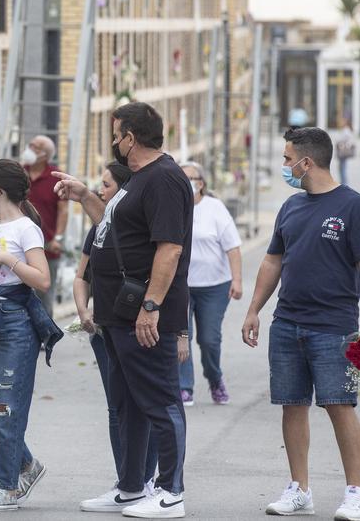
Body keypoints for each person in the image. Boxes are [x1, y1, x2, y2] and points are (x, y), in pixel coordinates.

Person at [52, 102, 192, 518]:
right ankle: (132, 487)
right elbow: (112, 229)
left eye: (116, 134)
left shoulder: (164, 179)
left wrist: (152, 306)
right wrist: (83, 197)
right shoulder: (137, 180)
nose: (114, 142)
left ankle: (171, 491)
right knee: (129, 403)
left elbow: (170, 248)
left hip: (143, 314)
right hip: (117, 311)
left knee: (160, 400)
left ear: (131, 137)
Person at [241, 127, 360, 521]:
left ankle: (356, 493)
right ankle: (299, 489)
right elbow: (273, 260)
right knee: (292, 405)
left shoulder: (355, 206)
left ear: (307, 162)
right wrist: (254, 309)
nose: (284, 166)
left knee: (339, 406)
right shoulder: (290, 207)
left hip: (333, 326)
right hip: (287, 322)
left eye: (288, 159)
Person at [0, 159, 60, 512]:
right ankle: (26, 464)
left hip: (15, 319)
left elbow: (42, 279)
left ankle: (7, 486)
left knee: (6, 406)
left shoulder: (25, 229)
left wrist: (6, 259)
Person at [75, 161, 161, 513]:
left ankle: (148, 479)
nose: (100, 190)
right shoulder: (98, 230)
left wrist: (181, 332)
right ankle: (126, 481)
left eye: (106, 185)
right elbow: (82, 275)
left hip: (134, 322)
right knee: (118, 407)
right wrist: (83, 310)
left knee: (144, 403)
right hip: (102, 326)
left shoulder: (135, 231)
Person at [177, 162, 242, 407]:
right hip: (181, 286)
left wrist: (236, 279)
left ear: (200, 183)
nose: (185, 183)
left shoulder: (215, 208)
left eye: (190, 178)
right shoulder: (173, 207)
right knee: (182, 336)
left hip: (214, 286)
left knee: (208, 339)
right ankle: (184, 387)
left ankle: (215, 379)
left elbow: (233, 247)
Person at [20, 135, 69, 313]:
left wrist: (58, 238)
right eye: (30, 144)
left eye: (36, 147)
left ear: (45, 155)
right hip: (20, 247)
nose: (30, 149)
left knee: (43, 297)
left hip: (47, 247)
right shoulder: (19, 173)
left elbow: (64, 210)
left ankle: (46, 338)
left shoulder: (55, 177)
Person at [334, 121, 355, 185]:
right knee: (342, 167)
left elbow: (343, 139)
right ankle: (343, 181)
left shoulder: (346, 130)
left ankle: (343, 182)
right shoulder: (346, 130)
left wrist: (340, 143)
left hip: (343, 152)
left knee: (342, 167)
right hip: (344, 152)